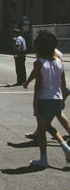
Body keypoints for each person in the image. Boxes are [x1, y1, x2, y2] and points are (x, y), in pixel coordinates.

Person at [24, 31, 70, 167]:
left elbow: (38, 86)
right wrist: (62, 99)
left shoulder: (39, 63)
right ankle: (63, 148)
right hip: (57, 97)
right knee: (46, 127)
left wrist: (35, 105)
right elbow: (63, 83)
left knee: (43, 130)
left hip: (44, 99)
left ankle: (47, 157)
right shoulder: (59, 62)